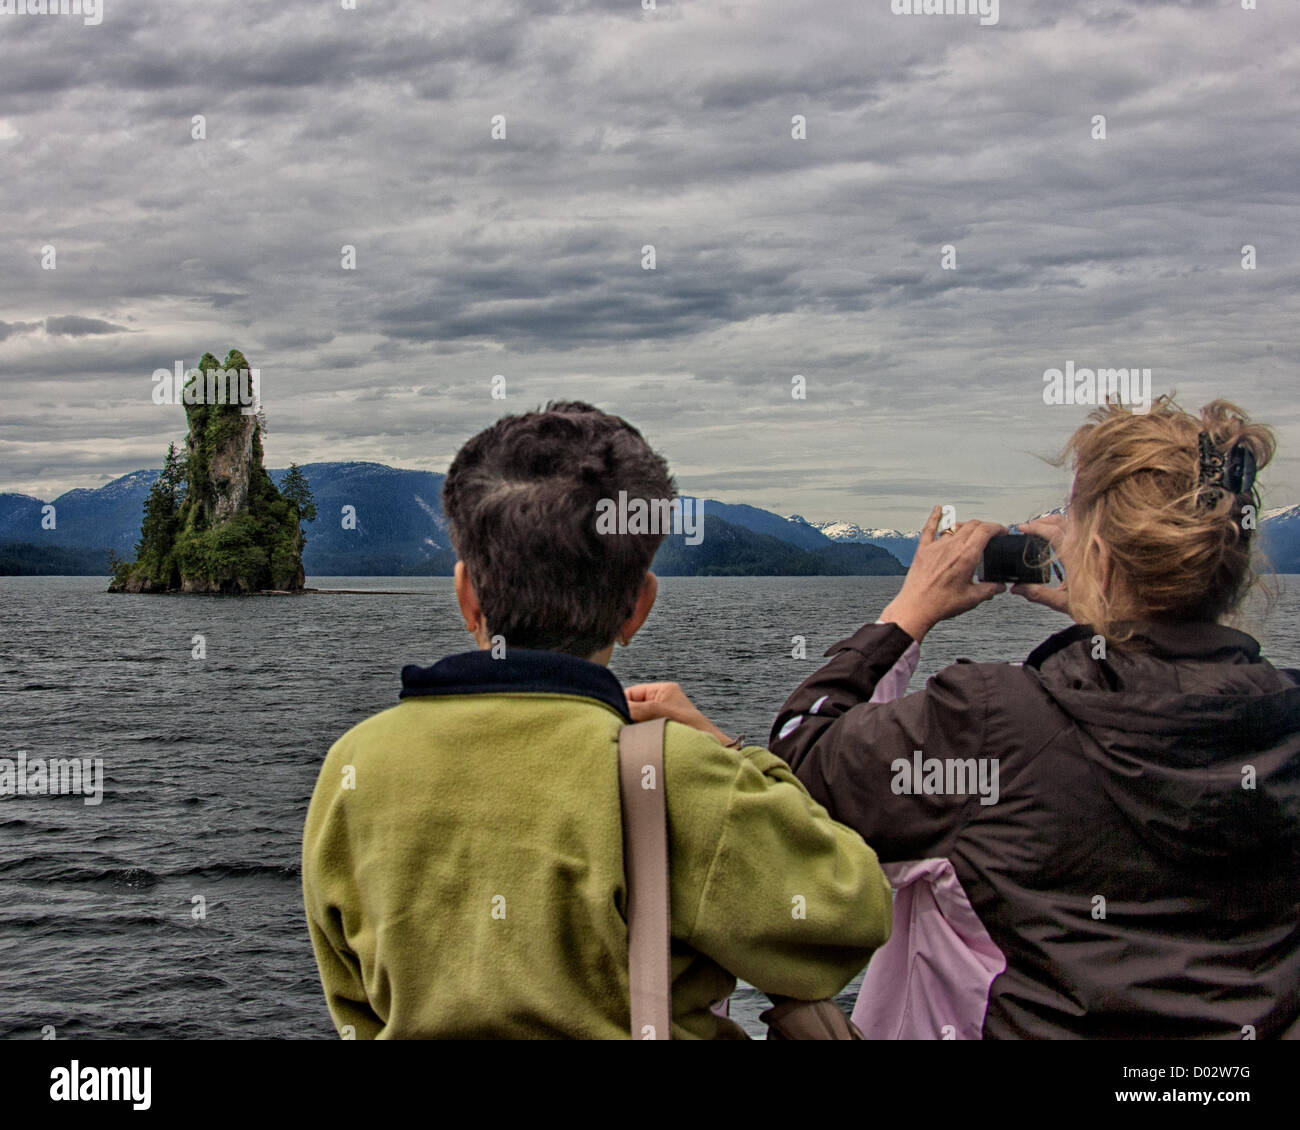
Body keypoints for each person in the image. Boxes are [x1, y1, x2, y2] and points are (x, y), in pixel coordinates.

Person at [301, 401, 892, 1039]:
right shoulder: (677, 774)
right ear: (638, 608)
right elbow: (850, 915)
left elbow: (355, 999)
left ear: (466, 594)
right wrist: (734, 751)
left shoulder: (355, 764)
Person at [760, 396, 1300, 1038]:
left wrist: (908, 612)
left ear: (1094, 547)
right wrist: (1109, 611)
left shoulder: (994, 723)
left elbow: (796, 769)